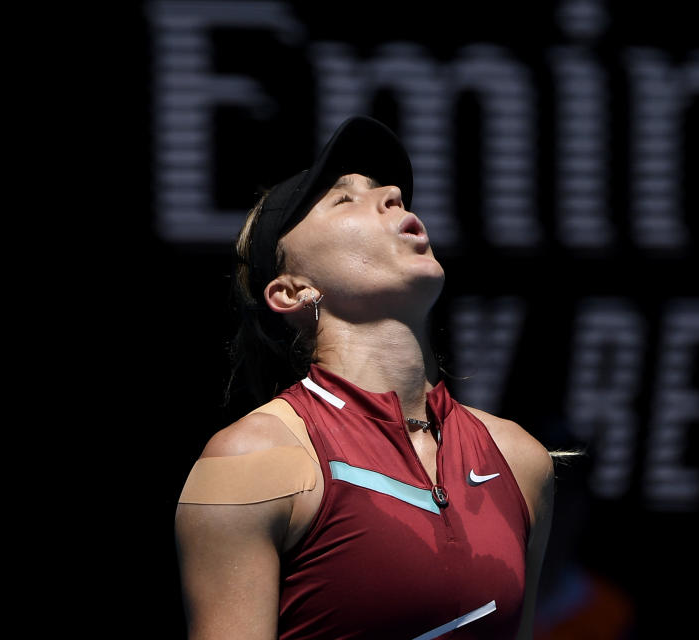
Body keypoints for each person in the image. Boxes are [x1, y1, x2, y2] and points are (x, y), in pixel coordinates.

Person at [175, 115, 555, 640]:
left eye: (386, 190)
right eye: (343, 198)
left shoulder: (520, 459)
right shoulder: (250, 460)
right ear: (292, 291)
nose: (395, 194)